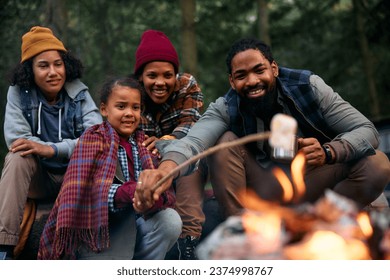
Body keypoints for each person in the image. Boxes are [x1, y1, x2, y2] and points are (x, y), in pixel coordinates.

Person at [134, 37, 390, 222]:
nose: (253, 81)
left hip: (313, 177)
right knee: (225, 139)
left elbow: (366, 130)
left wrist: (329, 151)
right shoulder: (225, 106)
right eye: (242, 75)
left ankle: (320, 221)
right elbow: (193, 142)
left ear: (274, 69)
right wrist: (165, 171)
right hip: (263, 187)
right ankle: (243, 230)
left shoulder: (308, 86)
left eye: (259, 70)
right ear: (232, 82)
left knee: (377, 164)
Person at [38, 76, 182, 259]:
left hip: (137, 223)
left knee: (170, 220)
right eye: (121, 107)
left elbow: (164, 188)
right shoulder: (92, 139)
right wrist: (132, 191)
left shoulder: (144, 145)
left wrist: (152, 195)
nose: (129, 113)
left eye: (135, 108)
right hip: (101, 229)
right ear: (104, 109)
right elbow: (85, 191)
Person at [0, 26, 102, 259]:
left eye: (58, 64)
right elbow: (17, 138)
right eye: (43, 66)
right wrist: (40, 150)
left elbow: (97, 138)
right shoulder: (18, 93)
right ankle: (3, 249)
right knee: (16, 155)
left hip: (74, 177)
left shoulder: (79, 94)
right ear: (30, 71)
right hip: (40, 178)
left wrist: (52, 149)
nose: (53, 72)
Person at [133, 29, 207, 259]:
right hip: (149, 163)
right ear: (140, 77)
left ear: (176, 74)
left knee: (188, 160)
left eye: (167, 75)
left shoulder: (187, 85)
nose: (160, 82)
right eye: (152, 76)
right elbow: (136, 140)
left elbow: (191, 124)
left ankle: (189, 240)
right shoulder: (132, 95)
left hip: (184, 156)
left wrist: (166, 141)